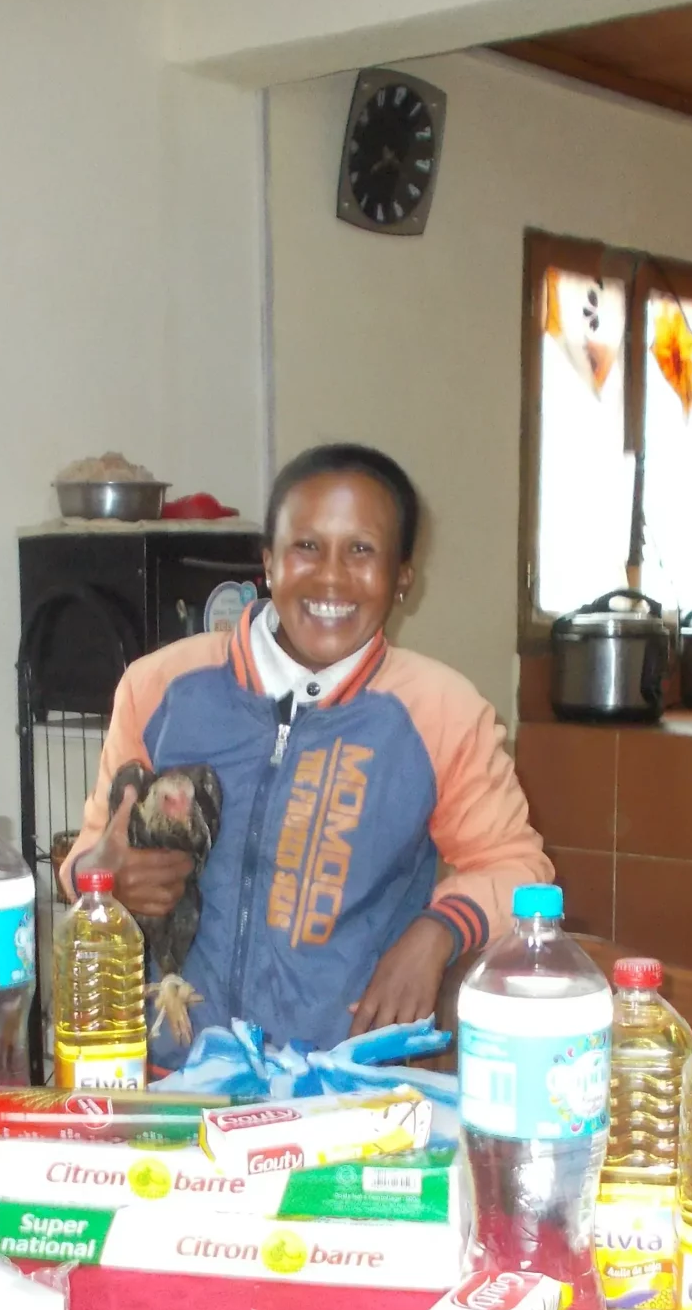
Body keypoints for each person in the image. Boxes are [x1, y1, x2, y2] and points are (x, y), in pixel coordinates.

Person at [66, 443, 552, 1063]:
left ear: (403, 575)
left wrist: (438, 932)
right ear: (267, 562)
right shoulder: (158, 686)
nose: (330, 577)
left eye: (361, 550)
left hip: (338, 1088)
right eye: (306, 546)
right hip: (161, 1077)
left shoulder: (442, 712)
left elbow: (518, 868)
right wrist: (99, 877)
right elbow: (86, 853)